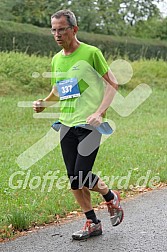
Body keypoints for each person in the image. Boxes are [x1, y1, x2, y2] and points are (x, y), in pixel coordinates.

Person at [33, 9, 124, 240]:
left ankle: (110, 195)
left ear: (74, 29)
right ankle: (92, 223)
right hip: (66, 124)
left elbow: (113, 84)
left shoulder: (91, 53)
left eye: (61, 29)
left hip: (89, 125)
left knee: (82, 175)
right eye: (53, 30)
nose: (57, 34)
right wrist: (45, 103)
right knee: (74, 180)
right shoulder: (56, 59)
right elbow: (59, 90)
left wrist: (99, 112)